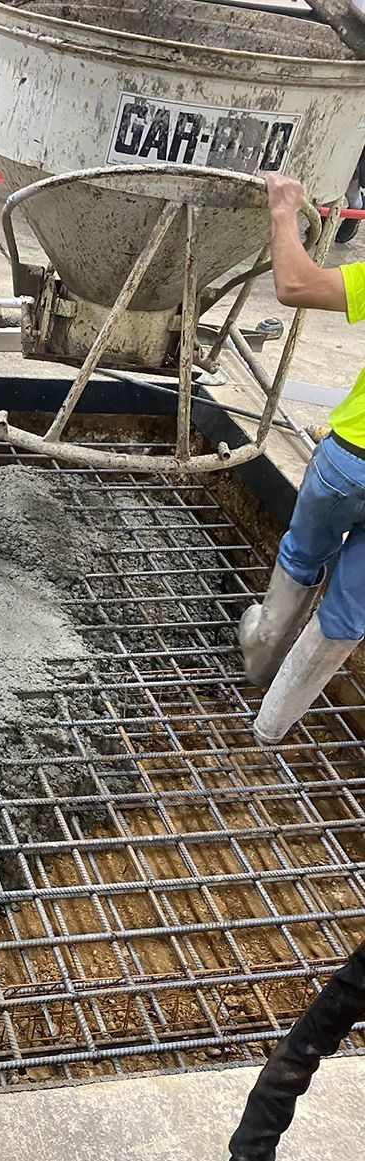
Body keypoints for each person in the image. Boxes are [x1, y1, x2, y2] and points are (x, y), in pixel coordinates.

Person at [238, 171, 365, 744]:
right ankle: (270, 728)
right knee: (348, 617)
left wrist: (285, 210)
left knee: (301, 554)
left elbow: (293, 285)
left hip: (350, 459)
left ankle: (258, 657)